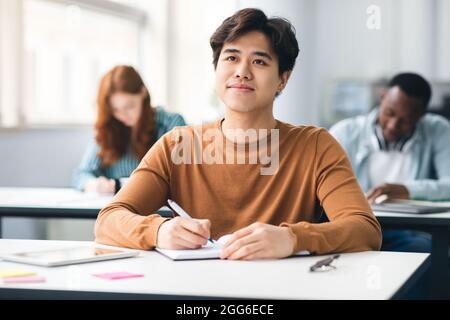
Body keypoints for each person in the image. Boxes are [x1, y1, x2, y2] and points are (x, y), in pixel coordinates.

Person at [95, 8, 381, 259]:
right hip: (193, 292)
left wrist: (294, 238)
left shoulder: (316, 145)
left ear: (283, 78)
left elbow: (364, 229)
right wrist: (158, 230)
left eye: (259, 61)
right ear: (216, 69)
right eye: (231, 58)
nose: (242, 72)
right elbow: (108, 221)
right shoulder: (176, 144)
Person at [330, 73, 450, 252]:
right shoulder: (345, 132)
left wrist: (407, 190)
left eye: (406, 120)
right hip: (354, 227)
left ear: (421, 116)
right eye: (389, 113)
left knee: (426, 250)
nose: (393, 125)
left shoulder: (438, 130)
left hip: (410, 231)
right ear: (382, 97)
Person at [72, 66, 186, 194]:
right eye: (115, 110)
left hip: (159, 210)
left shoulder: (171, 123)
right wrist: (93, 184)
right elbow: (81, 175)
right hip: (116, 210)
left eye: (129, 106)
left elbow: (183, 177)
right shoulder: (108, 127)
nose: (123, 115)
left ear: (143, 93)